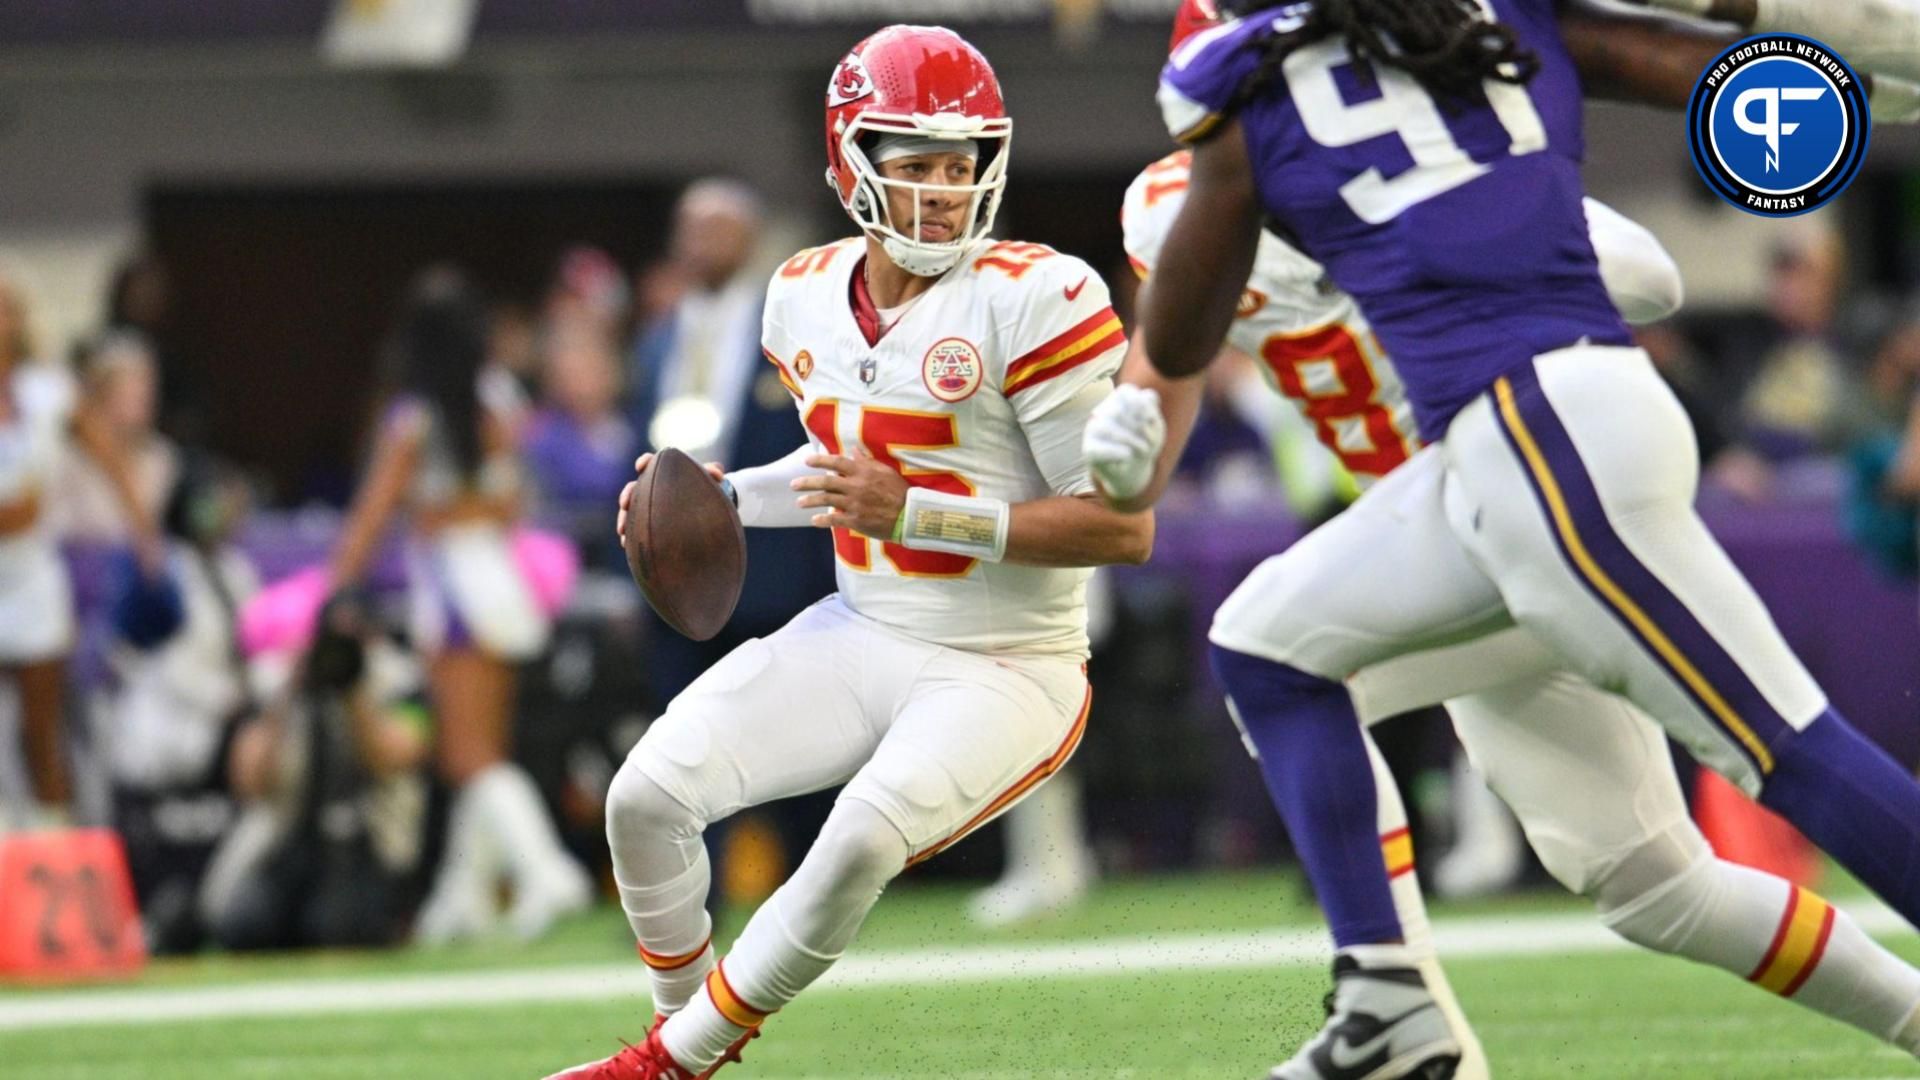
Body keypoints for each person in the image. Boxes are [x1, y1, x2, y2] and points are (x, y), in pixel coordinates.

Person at [1095, 1, 1920, 1076]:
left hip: (1528, 450)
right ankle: (1394, 1011)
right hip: (1477, 490)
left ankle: (1392, 1003)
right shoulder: (1488, 46)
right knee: (1647, 876)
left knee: (1787, 752)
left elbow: (1177, 339)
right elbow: (1670, 217)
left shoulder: (1235, 134)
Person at [545, 25, 1152, 1079]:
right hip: (865, 628)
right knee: (645, 796)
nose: (941, 194)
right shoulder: (803, 294)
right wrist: (721, 498)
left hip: (1008, 663)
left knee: (861, 837)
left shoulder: (1039, 297)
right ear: (848, 164)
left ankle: (664, 1068)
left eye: (960, 167)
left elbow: (1117, 525)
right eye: (914, 166)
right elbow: (839, 485)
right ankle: (684, 1035)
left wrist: (916, 513)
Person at [330, 269, 590, 943]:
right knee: (480, 749)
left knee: (467, 758)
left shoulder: (413, 416)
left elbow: (373, 513)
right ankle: (462, 896)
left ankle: (546, 871)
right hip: (501, 576)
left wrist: (337, 585)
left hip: (454, 588)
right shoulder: (499, 396)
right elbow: (512, 500)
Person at [627, 179, 836, 709]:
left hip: (772, 571)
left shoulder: (788, 331)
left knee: (785, 729)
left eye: (719, 229)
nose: (704, 242)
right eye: (692, 229)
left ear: (750, 239)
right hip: (675, 565)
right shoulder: (658, 336)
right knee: (683, 724)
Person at [0, 269, 161, 829]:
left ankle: (53, 849)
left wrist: (142, 527)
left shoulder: (46, 392)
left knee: (41, 732)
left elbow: (106, 452)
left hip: (30, 575)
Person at [200, 589, 433, 951]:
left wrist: (355, 692)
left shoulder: (401, 682)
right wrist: (288, 693)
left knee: (338, 929)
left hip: (369, 843)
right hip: (290, 839)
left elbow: (395, 756)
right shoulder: (282, 686)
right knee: (244, 926)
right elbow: (248, 781)